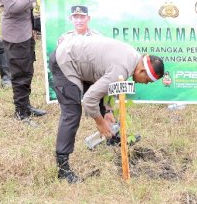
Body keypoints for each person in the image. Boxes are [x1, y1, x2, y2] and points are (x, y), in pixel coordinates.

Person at [50, 36, 165, 183]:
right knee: (72, 112)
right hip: (65, 60)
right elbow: (89, 99)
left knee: (102, 105)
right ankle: (63, 169)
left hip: (80, 60)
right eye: (148, 81)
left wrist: (108, 111)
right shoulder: (122, 68)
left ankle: (112, 137)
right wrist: (100, 122)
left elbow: (105, 83)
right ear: (142, 71)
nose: (146, 84)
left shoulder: (132, 57)